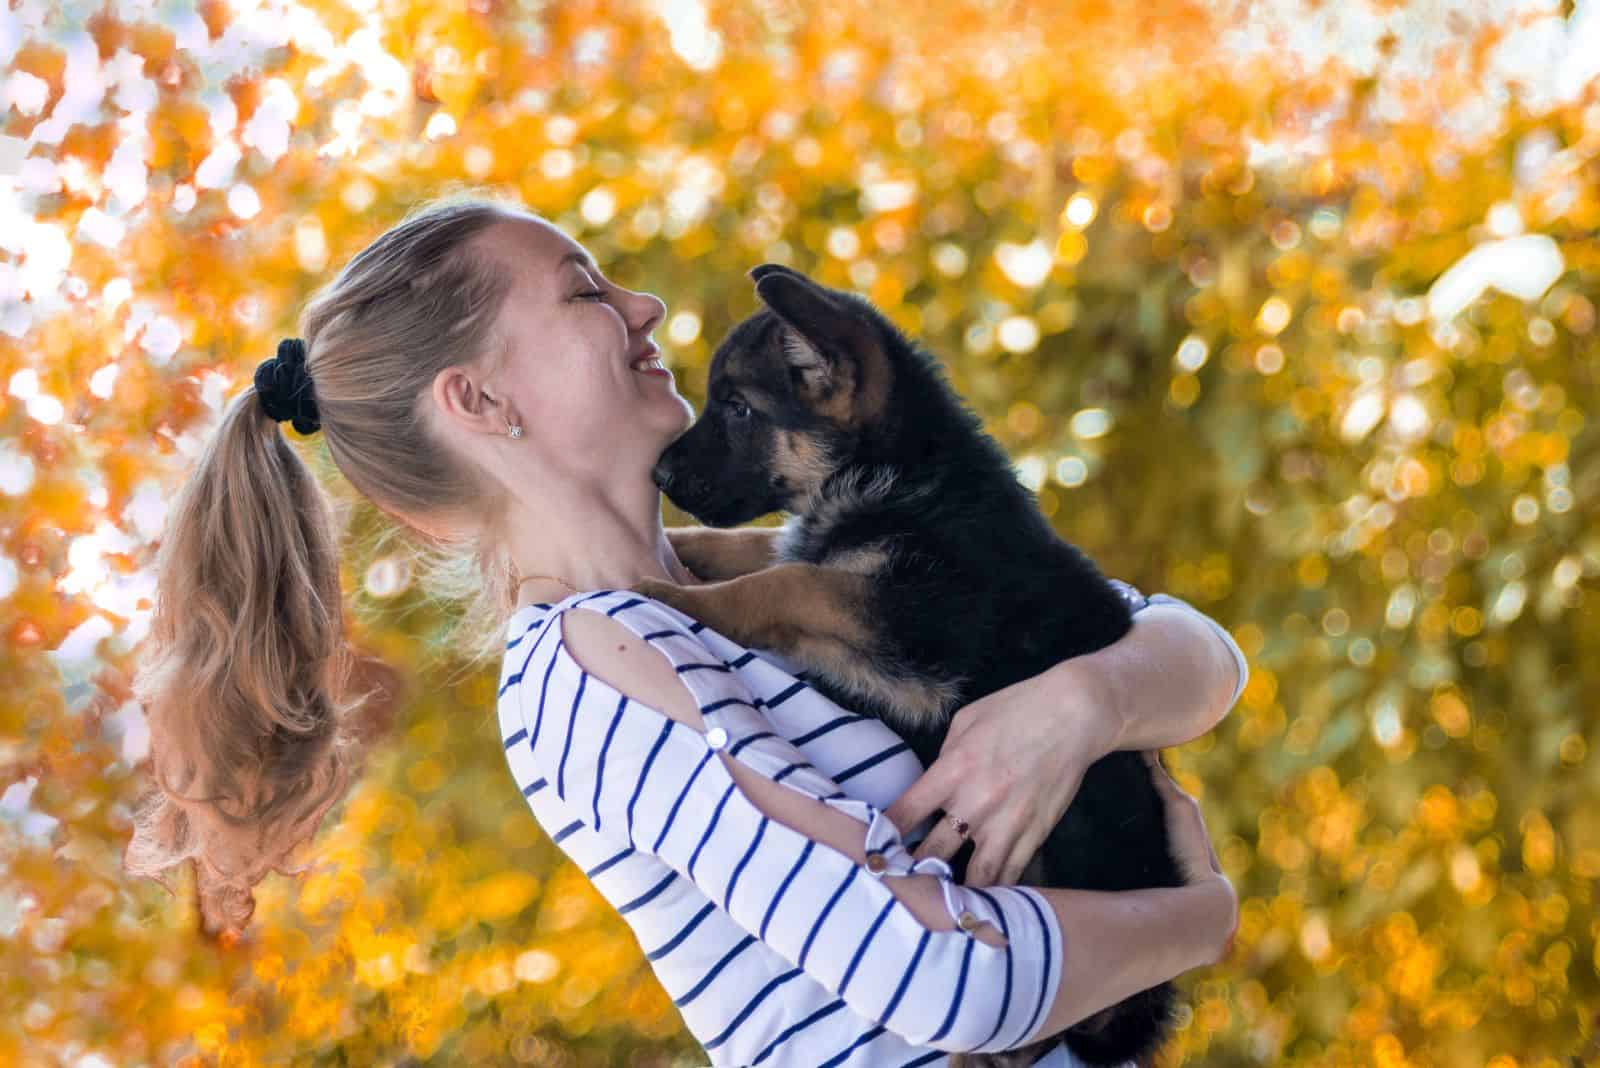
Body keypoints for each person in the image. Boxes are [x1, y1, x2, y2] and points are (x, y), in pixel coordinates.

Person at [129, 195, 1245, 1066]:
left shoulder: (762, 587)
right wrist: (1195, 921)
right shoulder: (588, 667)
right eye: (583, 292)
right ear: (478, 403)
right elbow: (935, 976)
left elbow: (1189, 650)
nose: (645, 307)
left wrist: (1079, 703)